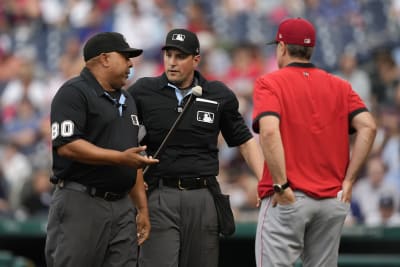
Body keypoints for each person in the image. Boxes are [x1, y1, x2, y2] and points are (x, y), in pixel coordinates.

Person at [127, 28, 264, 267]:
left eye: (180, 56)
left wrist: (265, 182)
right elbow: (123, 139)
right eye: (168, 55)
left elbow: (244, 140)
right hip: (159, 194)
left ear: (196, 59)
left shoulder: (218, 94)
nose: (172, 62)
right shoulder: (142, 91)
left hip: (203, 195)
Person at [252, 18, 377, 267]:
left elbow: (268, 132)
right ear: (311, 49)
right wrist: (349, 180)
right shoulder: (340, 85)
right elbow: (369, 126)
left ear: (282, 47)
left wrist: (280, 184)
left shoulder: (270, 82)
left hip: (288, 196)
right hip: (332, 200)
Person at [45, 32, 159, 267]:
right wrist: (120, 158)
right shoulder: (74, 92)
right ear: (105, 58)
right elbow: (67, 146)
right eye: (125, 57)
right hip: (81, 200)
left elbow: (133, 158)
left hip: (122, 206)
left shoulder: (127, 100)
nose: (130, 64)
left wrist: (142, 208)